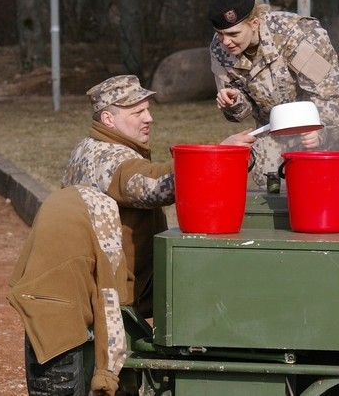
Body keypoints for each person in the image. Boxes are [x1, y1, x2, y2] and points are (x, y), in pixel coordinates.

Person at [61, 74, 254, 317]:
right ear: (108, 119)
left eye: (147, 110)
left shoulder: (88, 145)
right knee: (218, 280)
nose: (148, 118)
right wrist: (219, 155)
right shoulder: (108, 158)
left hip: (105, 274)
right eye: (137, 113)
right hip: (122, 285)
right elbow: (154, 186)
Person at [208, 0, 339, 188]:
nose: (225, 41)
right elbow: (241, 112)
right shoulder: (219, 49)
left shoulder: (295, 34)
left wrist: (321, 131)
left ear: (254, 23)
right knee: (272, 193)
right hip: (272, 130)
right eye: (220, 34)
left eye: (233, 34)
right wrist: (233, 102)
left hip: (315, 125)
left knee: (317, 190)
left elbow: (328, 92)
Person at [8, 184, 128, 396]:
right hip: (61, 301)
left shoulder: (63, 195)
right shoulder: (105, 210)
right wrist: (107, 373)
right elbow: (108, 302)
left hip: (37, 292)